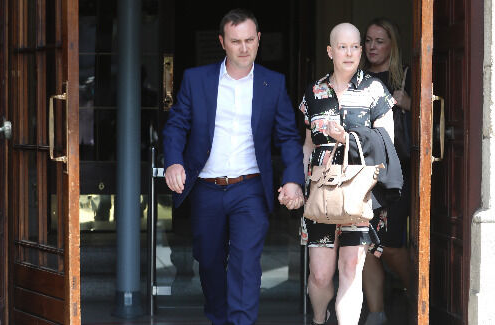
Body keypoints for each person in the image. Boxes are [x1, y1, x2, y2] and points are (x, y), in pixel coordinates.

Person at [162, 9, 305, 325]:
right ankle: (218, 318)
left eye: (250, 40)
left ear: (258, 40)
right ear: (222, 42)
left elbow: (288, 137)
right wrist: (173, 161)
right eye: (236, 41)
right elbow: (176, 126)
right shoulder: (196, 80)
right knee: (210, 262)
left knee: (245, 263)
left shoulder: (273, 83)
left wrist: (294, 178)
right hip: (206, 188)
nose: (244, 48)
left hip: (250, 188)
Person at [299, 23, 400, 325]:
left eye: (355, 46)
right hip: (321, 195)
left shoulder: (375, 91)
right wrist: (300, 186)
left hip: (359, 196)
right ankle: (320, 318)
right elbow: (306, 146)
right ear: (330, 51)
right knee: (319, 274)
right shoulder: (315, 93)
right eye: (342, 47)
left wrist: (348, 138)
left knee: (350, 269)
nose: (350, 52)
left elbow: (387, 144)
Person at [361, 17, 412, 325]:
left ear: (392, 44)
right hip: (362, 172)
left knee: (391, 245)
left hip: (396, 173)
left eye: (379, 41)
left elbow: (433, 117)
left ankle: (415, 291)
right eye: (368, 40)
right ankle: (377, 313)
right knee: (365, 245)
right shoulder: (357, 77)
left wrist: (408, 104)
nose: (372, 47)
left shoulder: (406, 77)